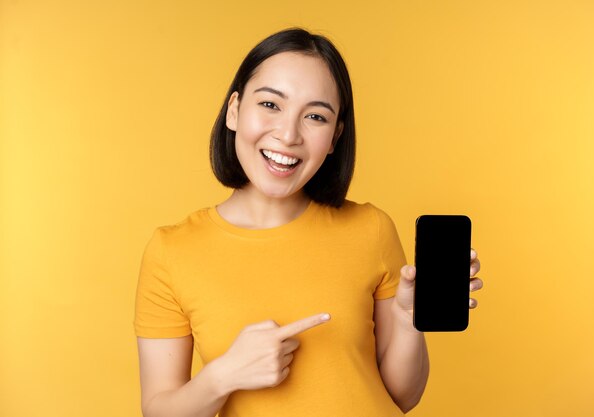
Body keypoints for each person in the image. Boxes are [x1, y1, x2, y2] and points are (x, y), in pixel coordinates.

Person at [134, 27, 483, 417]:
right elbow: (159, 410)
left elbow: (403, 397)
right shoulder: (173, 251)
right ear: (234, 110)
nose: (287, 134)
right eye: (270, 105)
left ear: (334, 137)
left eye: (315, 116)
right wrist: (223, 376)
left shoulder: (371, 228)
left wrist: (407, 321)